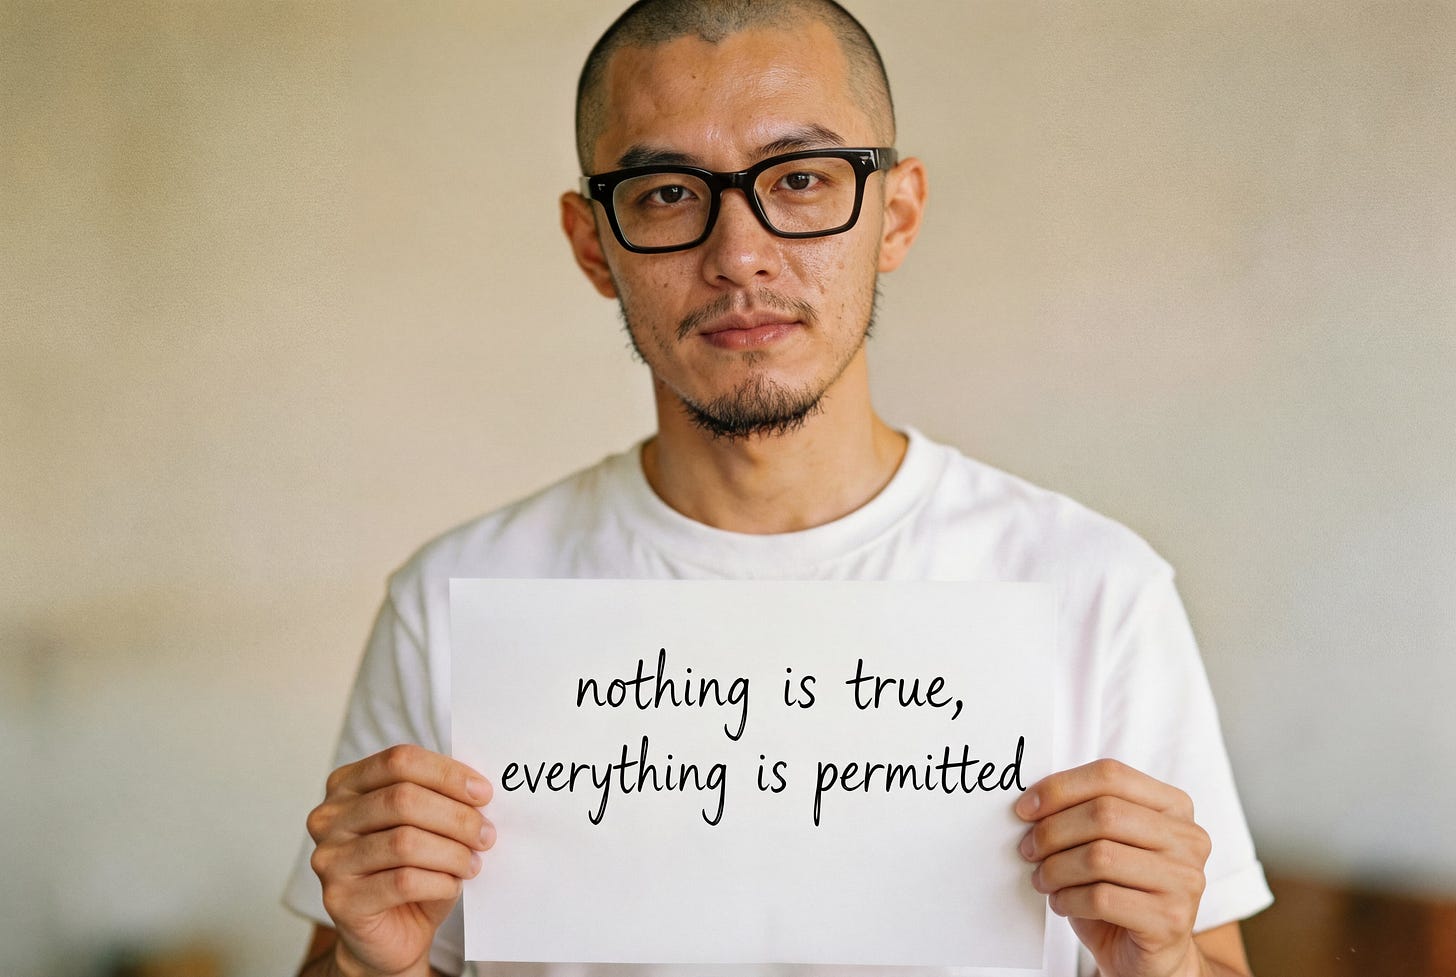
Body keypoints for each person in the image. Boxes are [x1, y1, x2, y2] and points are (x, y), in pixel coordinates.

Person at [284, 1, 1273, 975]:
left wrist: (1166, 963)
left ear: (899, 213)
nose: (738, 253)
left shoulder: (1092, 586)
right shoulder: (457, 596)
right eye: (668, 192)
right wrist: (374, 967)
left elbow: (1203, 965)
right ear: (595, 244)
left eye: (799, 178)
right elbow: (365, 952)